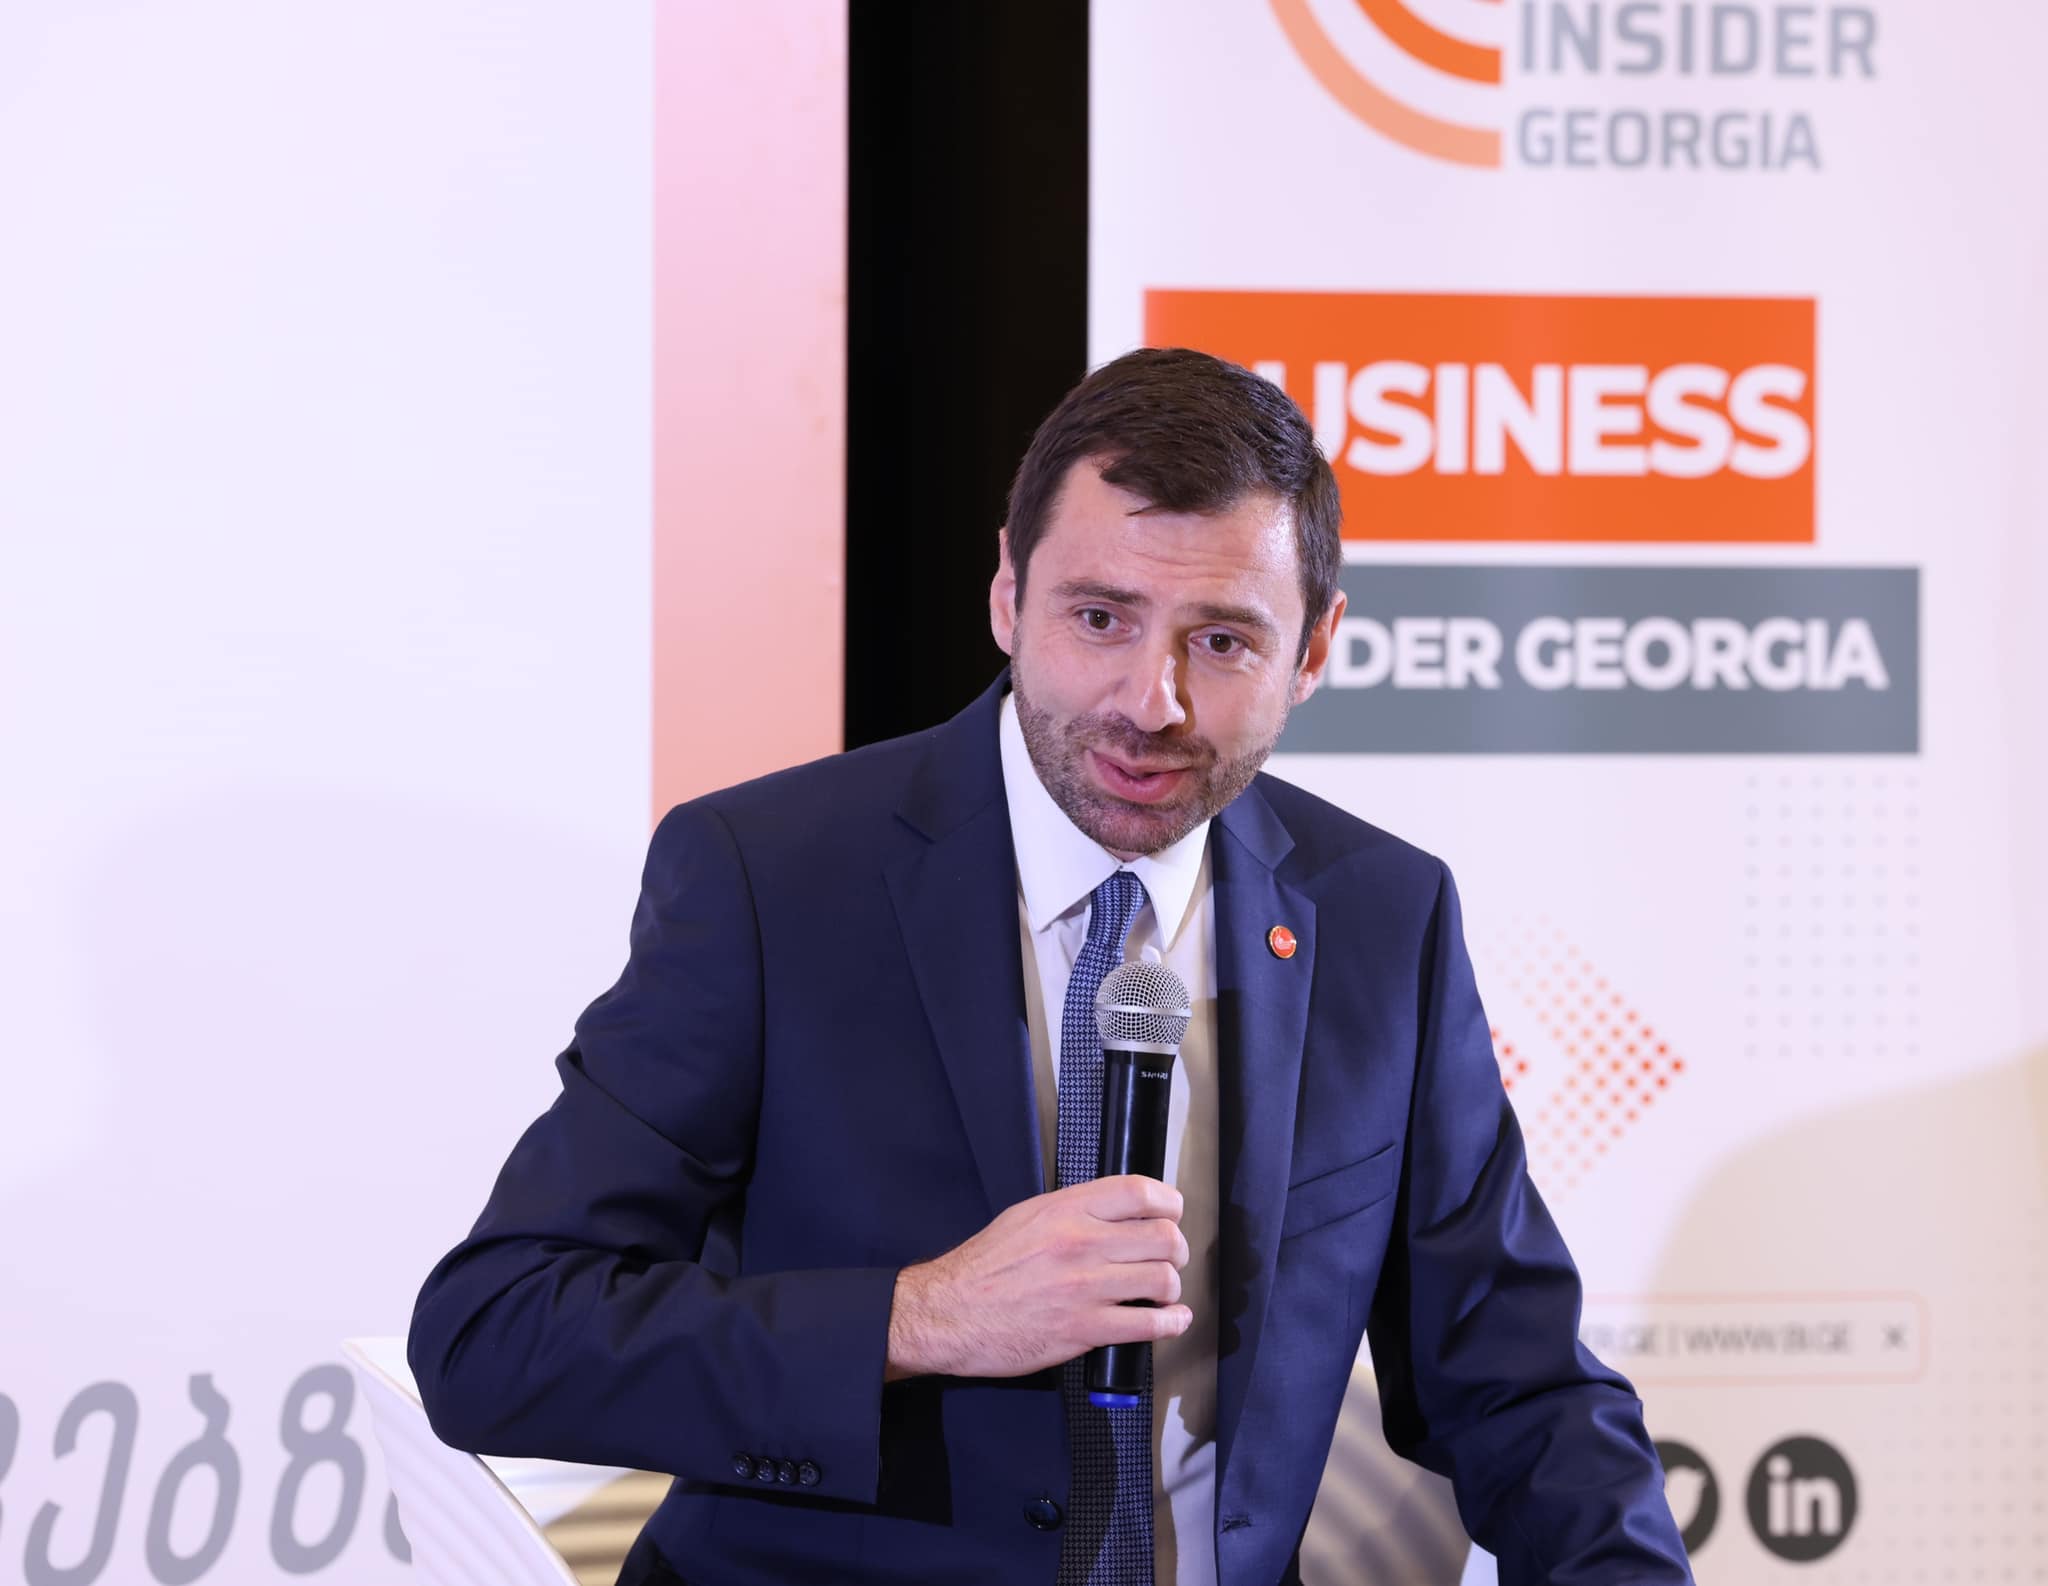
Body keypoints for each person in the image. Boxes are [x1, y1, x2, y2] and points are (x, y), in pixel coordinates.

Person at [408, 348, 1692, 1586]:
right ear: (1006, 596)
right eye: (1098, 617)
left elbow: (1516, 1382)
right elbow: (496, 1333)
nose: (1150, 700)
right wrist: (920, 1315)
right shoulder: (771, 878)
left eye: (1222, 641)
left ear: (1312, 651)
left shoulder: (1380, 915)